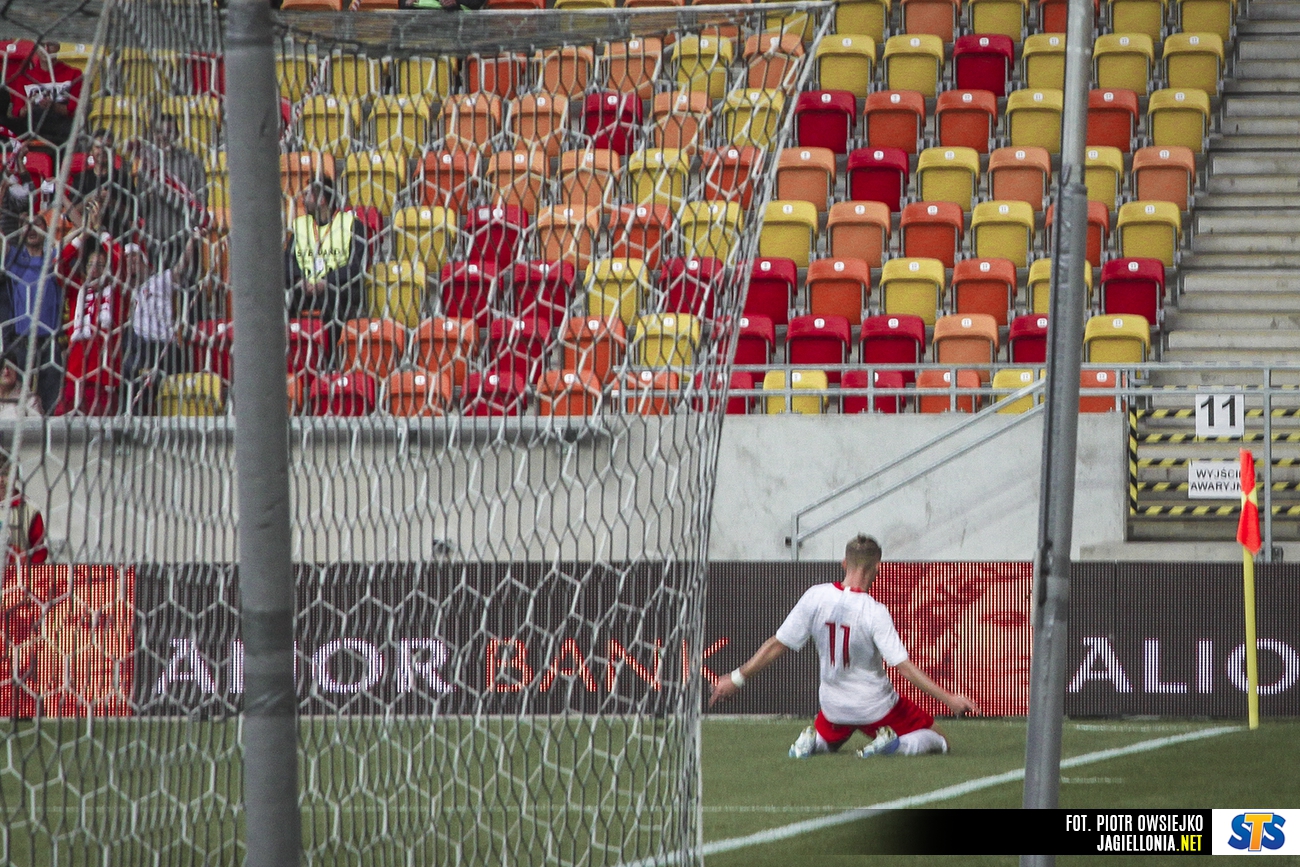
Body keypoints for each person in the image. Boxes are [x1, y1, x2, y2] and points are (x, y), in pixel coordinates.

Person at [709, 534, 978, 758]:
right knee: (939, 739)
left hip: (833, 707)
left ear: (844, 563)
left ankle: (812, 742)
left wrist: (736, 678)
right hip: (875, 707)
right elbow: (903, 668)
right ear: (878, 567)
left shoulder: (815, 596)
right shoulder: (875, 611)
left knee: (832, 739)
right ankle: (894, 745)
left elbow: (777, 645)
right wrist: (949, 699)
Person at [284, 175, 367, 370]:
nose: (302, 199)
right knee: (281, 297)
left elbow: (356, 266)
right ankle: (288, 356)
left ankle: (330, 362)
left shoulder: (351, 224)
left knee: (333, 299)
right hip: (304, 287)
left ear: (321, 199)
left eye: (307, 194)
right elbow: (287, 260)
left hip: (337, 287)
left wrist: (327, 281)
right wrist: (300, 280)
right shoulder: (301, 226)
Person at [121, 236, 196, 414]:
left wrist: (192, 240)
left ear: (144, 260)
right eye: (127, 259)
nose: (131, 261)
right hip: (139, 346)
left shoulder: (159, 280)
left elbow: (181, 266)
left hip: (162, 345)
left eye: (135, 256)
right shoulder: (128, 293)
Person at [1, 213, 65, 413]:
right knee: (21, 399)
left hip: (50, 342)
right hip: (22, 342)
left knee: (51, 399)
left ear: (46, 230)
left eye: (36, 224)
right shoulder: (15, 258)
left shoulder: (54, 258)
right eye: (25, 225)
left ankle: (48, 431)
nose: (31, 228)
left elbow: (82, 234)